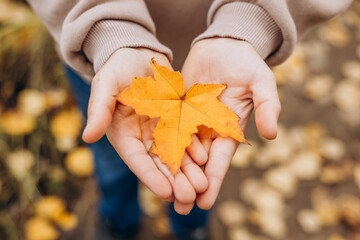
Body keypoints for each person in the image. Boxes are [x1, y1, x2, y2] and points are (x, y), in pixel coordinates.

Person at [27, 0, 353, 239]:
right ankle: (118, 221)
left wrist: (252, 19)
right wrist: (105, 30)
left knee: (198, 169)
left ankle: (191, 228)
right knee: (112, 159)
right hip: (104, 59)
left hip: (217, 52)